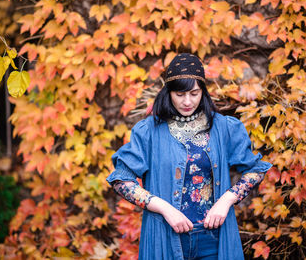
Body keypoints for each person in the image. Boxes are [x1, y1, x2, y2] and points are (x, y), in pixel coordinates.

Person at [106, 53, 272, 260]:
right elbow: (121, 179)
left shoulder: (224, 128)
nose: (187, 101)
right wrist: (165, 209)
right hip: (165, 238)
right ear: (168, 93)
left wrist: (226, 200)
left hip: (213, 240)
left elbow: (256, 169)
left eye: (194, 93)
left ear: (203, 91)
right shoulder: (148, 131)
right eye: (180, 94)